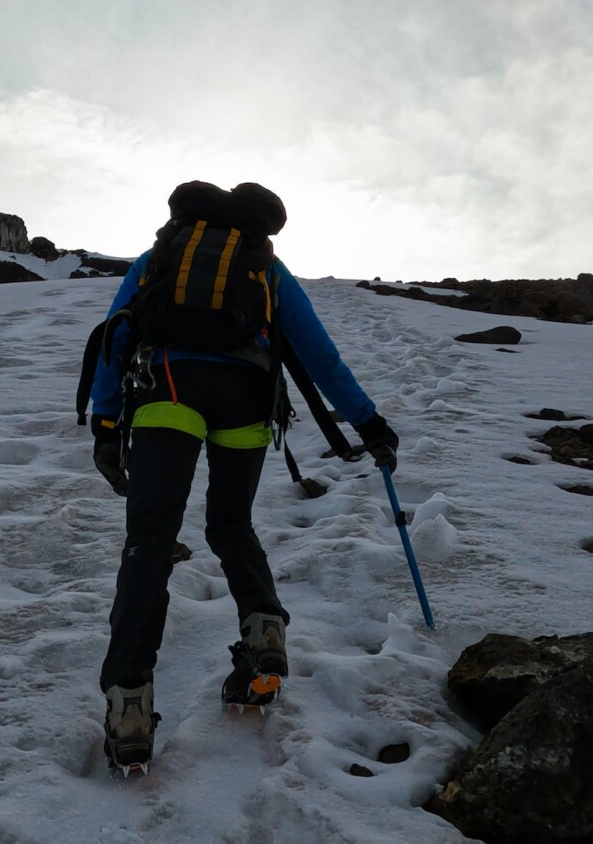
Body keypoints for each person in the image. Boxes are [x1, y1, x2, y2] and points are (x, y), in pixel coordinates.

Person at [87, 181, 399, 773]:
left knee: (149, 540)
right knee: (231, 526)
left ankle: (129, 703)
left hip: (167, 392)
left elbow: (115, 337)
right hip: (248, 396)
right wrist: (369, 421)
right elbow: (317, 353)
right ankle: (263, 638)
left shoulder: (159, 259)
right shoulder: (266, 269)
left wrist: (106, 423)